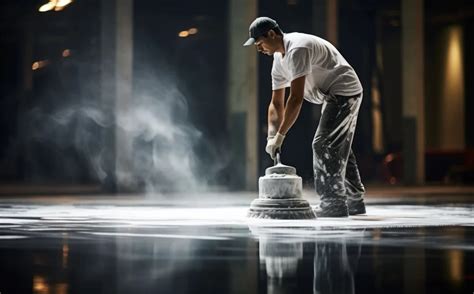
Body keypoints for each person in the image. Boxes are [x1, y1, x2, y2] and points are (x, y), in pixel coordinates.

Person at [243, 17, 366, 217]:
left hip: (345, 90)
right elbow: (276, 103)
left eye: (260, 43)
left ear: (272, 34)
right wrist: (271, 136)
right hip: (330, 94)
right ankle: (355, 201)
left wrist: (281, 136)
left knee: (323, 144)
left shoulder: (297, 49)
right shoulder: (278, 60)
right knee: (338, 146)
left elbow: (296, 98)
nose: (259, 49)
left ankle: (333, 203)